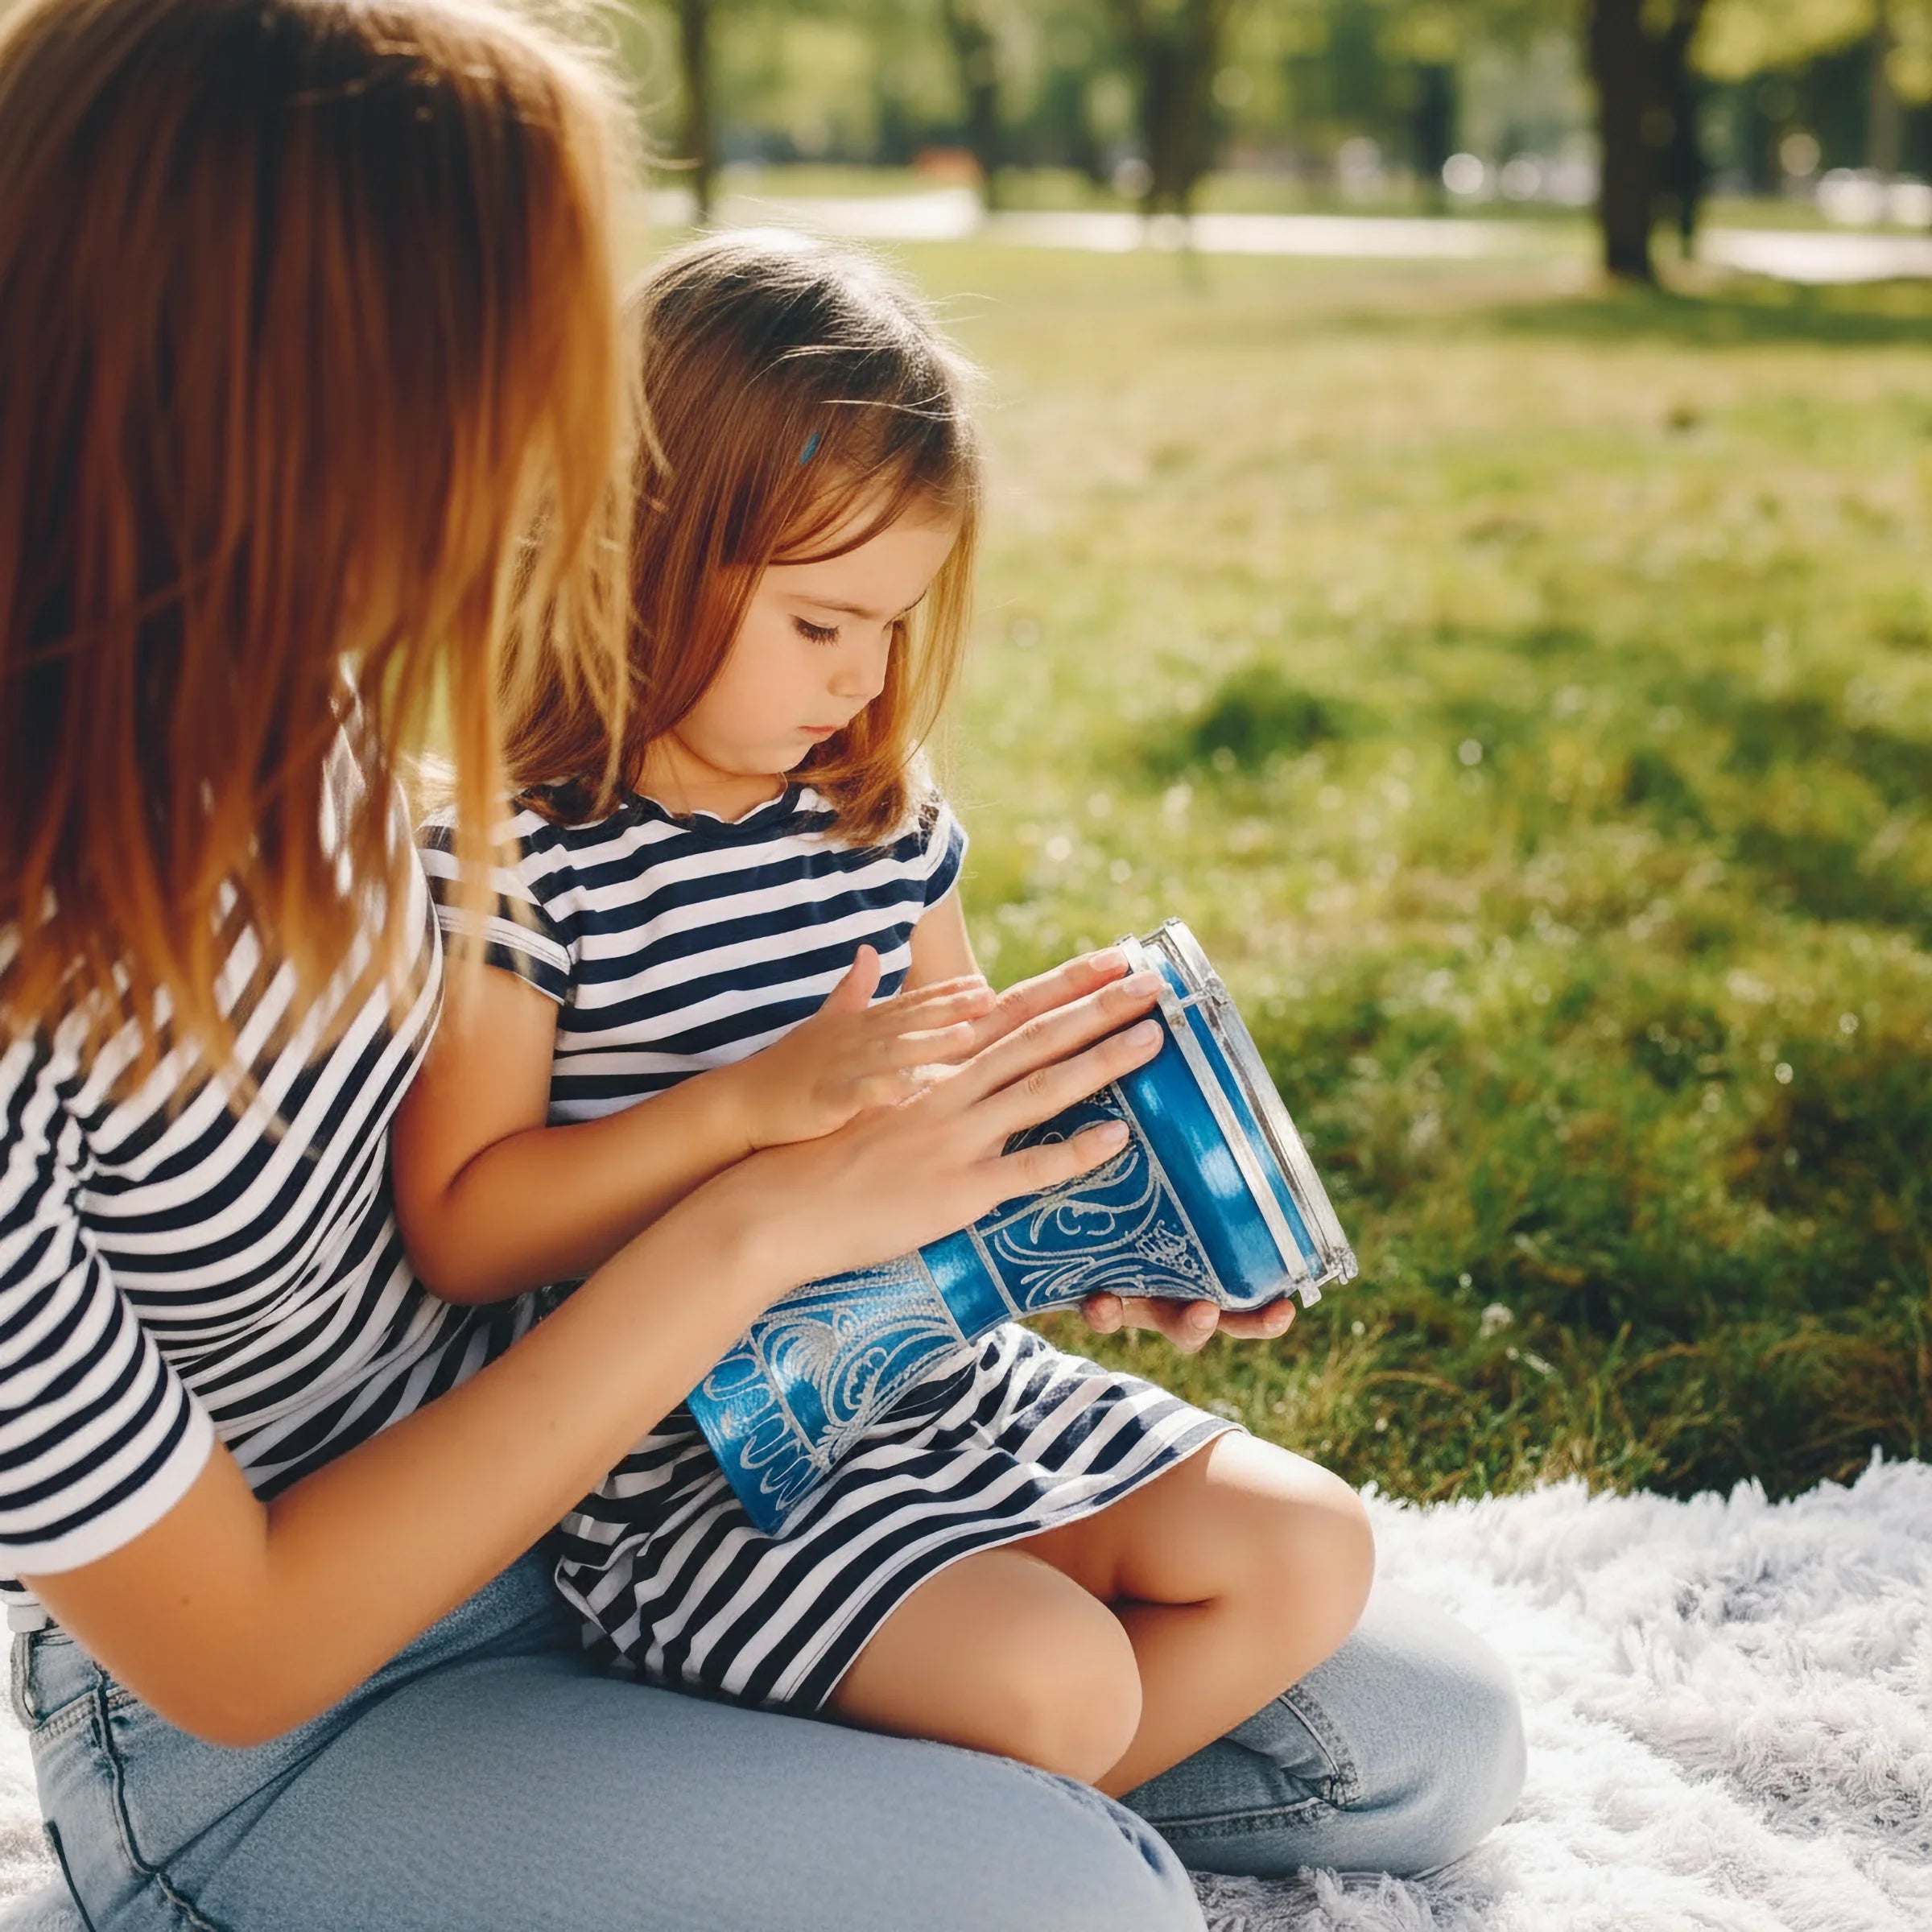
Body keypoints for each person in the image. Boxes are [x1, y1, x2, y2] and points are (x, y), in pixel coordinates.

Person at [0, 4, 1521, 1929]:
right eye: (538, 354)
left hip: (654, 1476)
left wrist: (1014, 1215)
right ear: (308, 383)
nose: (591, 453)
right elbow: (236, 1649)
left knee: (1433, 1736)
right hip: (284, 1710)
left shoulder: (355, 705)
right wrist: (777, 1211)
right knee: (1067, 1897)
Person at [396, 230, 1378, 1796]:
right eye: (819, 624)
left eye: (895, 626)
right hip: (694, 1465)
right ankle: (1007, 1835)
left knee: (1311, 1555)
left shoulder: (879, 818)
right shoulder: (526, 853)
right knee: (1059, 1683)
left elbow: (969, 1117)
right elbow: (460, 1225)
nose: (864, 679)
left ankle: (1012, 1845)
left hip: (942, 1374)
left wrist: (1129, 1223)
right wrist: (744, 1105)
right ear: (639, 553)